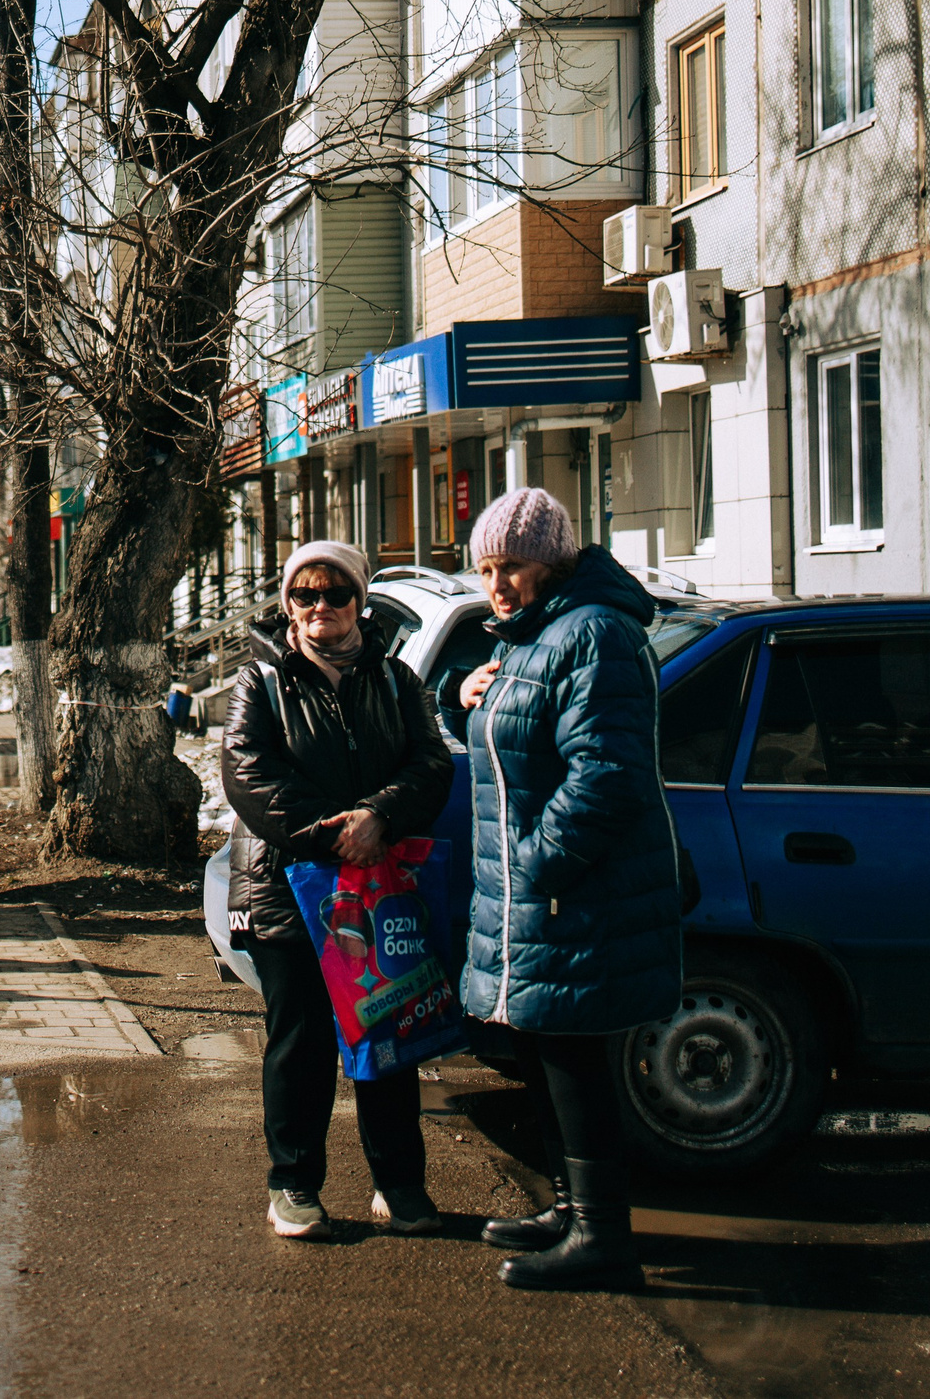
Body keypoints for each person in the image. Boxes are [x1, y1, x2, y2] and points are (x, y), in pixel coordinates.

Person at [454, 487, 683, 1292]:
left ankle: (602, 1234)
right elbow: (523, 745)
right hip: (540, 896)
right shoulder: (538, 636)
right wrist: (471, 700)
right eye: (486, 569)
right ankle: (567, 1208)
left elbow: (607, 775)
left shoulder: (593, 633)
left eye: (511, 564)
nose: (497, 583)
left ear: (552, 560)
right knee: (547, 1050)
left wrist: (541, 865)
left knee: (575, 1057)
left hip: (571, 893)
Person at [220, 540, 456, 1243]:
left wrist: (381, 814)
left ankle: (399, 1182)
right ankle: (293, 1184)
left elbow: (432, 764)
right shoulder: (259, 683)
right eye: (305, 595)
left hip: (379, 887)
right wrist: (334, 835)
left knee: (389, 1029)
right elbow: (248, 776)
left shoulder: (395, 680)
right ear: (289, 605)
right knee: (300, 1044)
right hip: (289, 889)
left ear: (360, 601)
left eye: (336, 593)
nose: (321, 607)